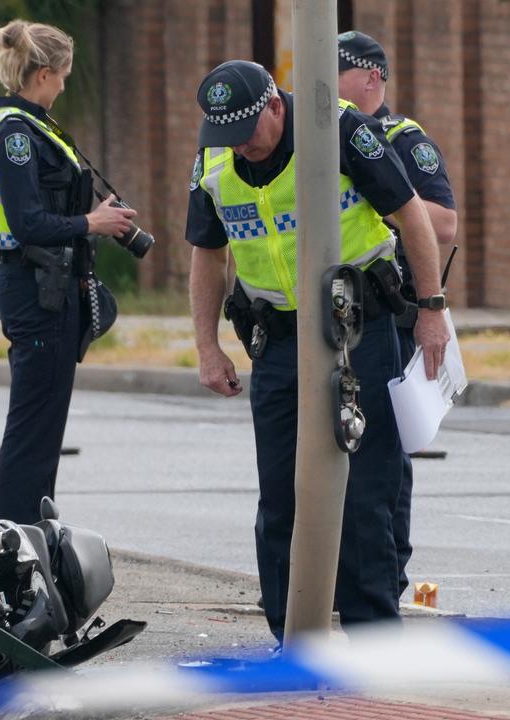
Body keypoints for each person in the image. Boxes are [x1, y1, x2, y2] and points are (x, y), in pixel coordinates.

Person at [187, 60, 448, 643]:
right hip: (278, 338)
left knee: (367, 491)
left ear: (275, 106)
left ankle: (374, 639)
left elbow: (411, 215)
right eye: (225, 138)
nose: (241, 149)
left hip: (361, 326)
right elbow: (207, 255)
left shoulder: (338, 129)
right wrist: (207, 346)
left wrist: (431, 310)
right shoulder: (214, 161)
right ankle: (293, 639)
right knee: (281, 495)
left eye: (248, 132)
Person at [0, 20, 136, 524]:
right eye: (62, 75)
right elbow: (28, 222)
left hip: (41, 286)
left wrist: (90, 211)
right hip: (38, 288)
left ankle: (31, 545)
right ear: (42, 74)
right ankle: (11, 555)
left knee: (39, 435)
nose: (64, 85)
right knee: (32, 436)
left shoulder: (13, 124)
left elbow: (41, 203)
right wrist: (92, 221)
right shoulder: (15, 134)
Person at [337, 30, 458, 599]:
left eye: (333, 70)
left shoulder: (403, 139)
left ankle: (388, 571)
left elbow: (443, 222)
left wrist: (380, 205)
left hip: (395, 310)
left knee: (384, 450)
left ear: (370, 77)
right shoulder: (323, 135)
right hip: (335, 314)